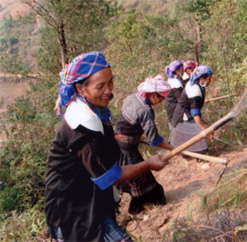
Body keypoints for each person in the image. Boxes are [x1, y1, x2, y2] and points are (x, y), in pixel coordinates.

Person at [45, 52, 167, 242]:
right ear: (80, 88)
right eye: (100, 86)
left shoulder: (96, 110)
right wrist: (148, 164)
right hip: (70, 205)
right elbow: (110, 176)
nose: (108, 90)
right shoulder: (81, 125)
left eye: (110, 82)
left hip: (90, 197)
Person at [115, 74, 174, 215]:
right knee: (144, 183)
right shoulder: (146, 111)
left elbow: (126, 123)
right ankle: (135, 210)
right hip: (127, 149)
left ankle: (137, 207)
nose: (161, 101)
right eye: (161, 98)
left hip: (117, 143)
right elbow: (154, 141)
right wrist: (174, 148)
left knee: (134, 179)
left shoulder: (132, 97)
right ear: (153, 95)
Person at [170, 65, 213, 153]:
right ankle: (200, 160)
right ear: (202, 78)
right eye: (208, 79)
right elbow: (195, 114)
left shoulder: (197, 84)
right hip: (182, 119)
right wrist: (204, 129)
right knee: (199, 133)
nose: (210, 81)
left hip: (185, 116)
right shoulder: (194, 90)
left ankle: (189, 155)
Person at [164, 60, 185, 125]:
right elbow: (181, 99)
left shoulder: (174, 80)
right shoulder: (175, 82)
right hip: (173, 109)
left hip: (173, 107)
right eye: (182, 68)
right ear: (177, 70)